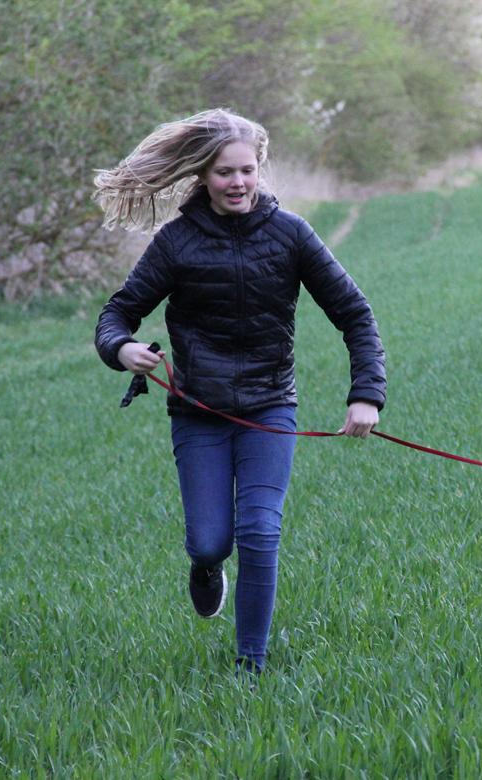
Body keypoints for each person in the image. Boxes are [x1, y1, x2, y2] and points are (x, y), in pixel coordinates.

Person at [93, 109, 386, 676]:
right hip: (199, 413)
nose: (237, 182)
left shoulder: (291, 234)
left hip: (270, 406)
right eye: (225, 172)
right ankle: (205, 569)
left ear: (261, 169)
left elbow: (355, 313)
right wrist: (122, 349)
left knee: (259, 530)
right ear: (203, 175)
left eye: (247, 170)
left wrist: (366, 395)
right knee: (209, 543)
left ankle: (250, 665)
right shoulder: (176, 243)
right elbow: (117, 314)